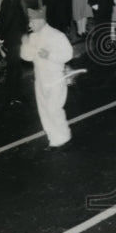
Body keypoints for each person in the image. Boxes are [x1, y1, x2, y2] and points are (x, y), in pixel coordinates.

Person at [20, 8, 78, 150]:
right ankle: (54, 139)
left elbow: (68, 54)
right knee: (44, 110)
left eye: (32, 21)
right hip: (40, 79)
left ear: (40, 20)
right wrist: (25, 45)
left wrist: (50, 55)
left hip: (55, 78)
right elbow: (27, 57)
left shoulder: (56, 35)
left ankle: (64, 137)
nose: (30, 24)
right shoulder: (33, 37)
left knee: (54, 109)